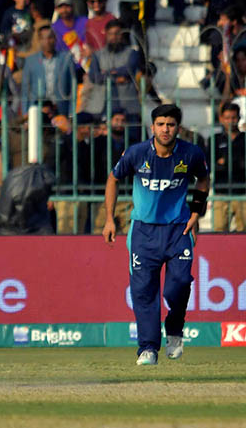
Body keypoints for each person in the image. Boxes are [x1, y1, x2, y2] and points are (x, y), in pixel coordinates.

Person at [103, 104, 209, 365]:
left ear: (177, 128)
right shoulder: (138, 153)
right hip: (143, 232)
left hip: (178, 229)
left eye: (170, 124)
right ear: (153, 127)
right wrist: (109, 219)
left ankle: (174, 329)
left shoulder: (190, 153)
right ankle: (148, 348)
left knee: (180, 284)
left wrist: (196, 213)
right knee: (144, 291)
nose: (165, 129)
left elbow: (203, 179)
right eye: (160, 124)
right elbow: (113, 179)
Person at [211, 102, 246, 231]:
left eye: (233, 118)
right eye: (227, 118)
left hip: (242, 190)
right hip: (221, 191)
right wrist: (240, 159)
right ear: (221, 119)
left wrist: (225, 161)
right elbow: (212, 165)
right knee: (219, 231)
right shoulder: (215, 139)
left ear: (238, 118)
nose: (230, 121)